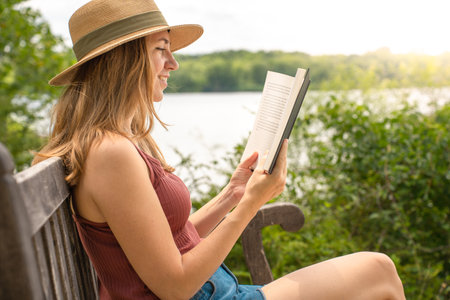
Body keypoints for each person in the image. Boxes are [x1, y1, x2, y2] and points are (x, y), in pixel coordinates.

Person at [34, 0, 406, 299]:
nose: (173, 64)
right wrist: (248, 206)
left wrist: (232, 193)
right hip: (209, 295)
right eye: (161, 50)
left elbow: (166, 245)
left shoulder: (113, 143)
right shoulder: (111, 153)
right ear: (124, 60)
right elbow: (175, 286)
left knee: (375, 272)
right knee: (379, 271)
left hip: (217, 290)